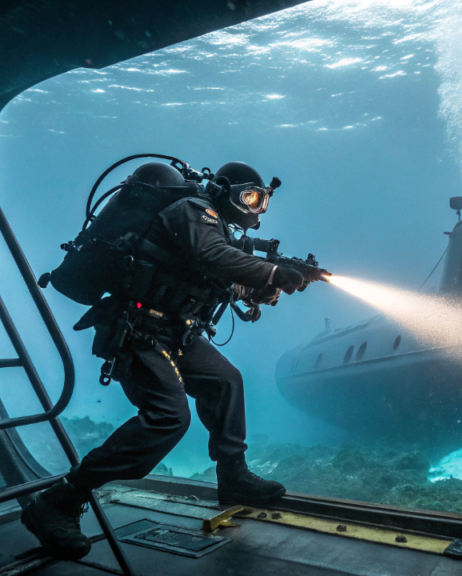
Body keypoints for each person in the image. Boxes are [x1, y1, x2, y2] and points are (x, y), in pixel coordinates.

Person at [22, 161, 306, 559]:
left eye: (262, 202)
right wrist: (272, 272)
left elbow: (217, 277)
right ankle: (60, 499)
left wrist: (258, 289)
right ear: (225, 190)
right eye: (250, 197)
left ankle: (233, 476)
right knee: (168, 418)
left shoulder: (216, 230)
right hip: (138, 330)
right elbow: (211, 255)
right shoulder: (192, 210)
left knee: (225, 380)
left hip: (176, 330)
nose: (255, 208)